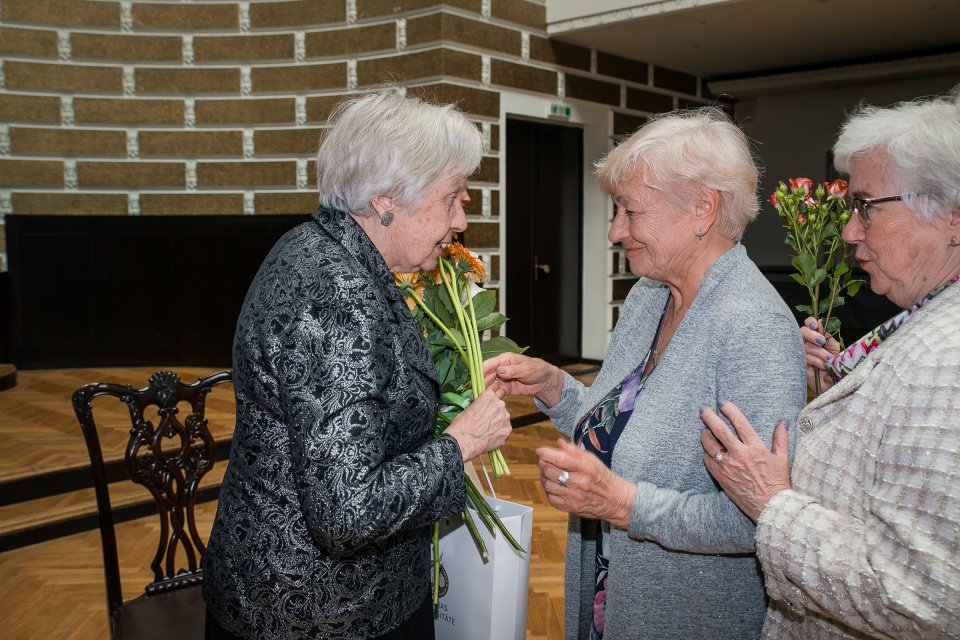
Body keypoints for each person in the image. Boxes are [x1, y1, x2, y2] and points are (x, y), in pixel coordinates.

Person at [202, 90, 513, 640]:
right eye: (452, 199)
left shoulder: (322, 249)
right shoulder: (338, 292)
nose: (461, 220)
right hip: (321, 611)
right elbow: (347, 510)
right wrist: (461, 442)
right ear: (389, 198)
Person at [485, 108, 807, 639]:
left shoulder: (753, 326)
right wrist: (554, 386)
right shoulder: (647, 297)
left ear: (703, 208)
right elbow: (625, 431)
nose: (615, 232)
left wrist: (622, 504)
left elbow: (758, 519)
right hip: (612, 602)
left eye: (630, 211)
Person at [699, 89, 960, 638]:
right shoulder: (925, 320)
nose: (848, 230)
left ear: (952, 217)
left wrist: (770, 502)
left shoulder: (947, 361)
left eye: (867, 206)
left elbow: (917, 597)